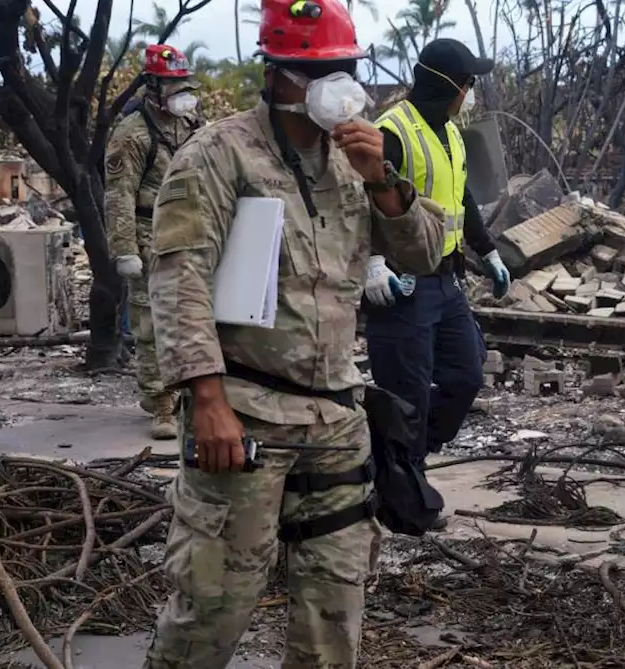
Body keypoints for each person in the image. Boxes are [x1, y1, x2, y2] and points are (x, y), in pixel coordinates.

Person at [141, 0, 445, 666]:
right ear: (276, 74)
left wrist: (385, 181)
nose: (333, 83)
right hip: (245, 415)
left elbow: (425, 253)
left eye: (341, 68)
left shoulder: (357, 161)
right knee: (211, 608)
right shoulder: (219, 155)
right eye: (315, 71)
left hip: (336, 418)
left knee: (333, 616)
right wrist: (207, 398)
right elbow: (178, 278)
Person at [366, 38, 508, 527]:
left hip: (446, 283)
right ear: (449, 85)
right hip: (402, 286)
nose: (469, 93)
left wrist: (486, 251)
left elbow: (461, 198)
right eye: (467, 83)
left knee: (466, 374)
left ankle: (393, 465)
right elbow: (355, 202)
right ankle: (404, 499)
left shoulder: (449, 133)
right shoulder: (392, 133)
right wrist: (371, 263)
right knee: (407, 394)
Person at [105, 43, 203, 440]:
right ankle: (161, 402)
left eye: (184, 83)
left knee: (192, 319)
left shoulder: (191, 123)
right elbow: (119, 195)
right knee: (150, 324)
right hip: (148, 234)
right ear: (152, 85)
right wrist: (125, 249)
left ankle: (186, 396)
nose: (181, 91)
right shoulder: (132, 132)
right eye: (173, 84)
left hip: (192, 232)